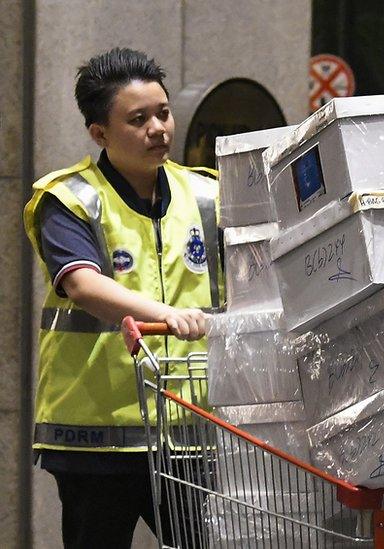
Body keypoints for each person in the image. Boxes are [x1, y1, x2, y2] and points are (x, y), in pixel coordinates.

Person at [23, 47, 221, 548]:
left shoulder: (208, 196)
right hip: (96, 438)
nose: (159, 128)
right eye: (138, 119)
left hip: (187, 432)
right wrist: (168, 315)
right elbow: (83, 284)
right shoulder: (68, 199)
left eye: (163, 112)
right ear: (100, 133)